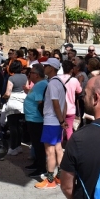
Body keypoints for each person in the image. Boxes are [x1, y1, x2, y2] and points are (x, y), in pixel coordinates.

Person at [35, 58, 67, 189]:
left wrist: (60, 120)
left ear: (52, 68)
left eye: (46, 65)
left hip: (51, 120)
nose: (44, 67)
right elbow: (64, 105)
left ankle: (50, 179)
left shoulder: (53, 84)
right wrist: (62, 121)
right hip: (57, 121)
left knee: (49, 151)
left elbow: (56, 104)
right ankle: (60, 176)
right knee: (58, 149)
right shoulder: (60, 82)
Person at [24, 64, 48, 178]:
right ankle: (37, 163)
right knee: (35, 143)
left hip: (36, 119)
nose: (30, 74)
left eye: (32, 73)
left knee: (38, 144)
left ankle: (41, 167)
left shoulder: (40, 85)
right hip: (33, 118)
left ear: (37, 75)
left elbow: (40, 102)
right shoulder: (39, 84)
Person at [1, 60, 28, 156]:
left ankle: (12, 147)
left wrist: (3, 97)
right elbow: (27, 89)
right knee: (19, 126)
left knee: (13, 126)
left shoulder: (11, 78)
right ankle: (18, 146)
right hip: (23, 103)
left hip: (13, 103)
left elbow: (8, 93)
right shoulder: (25, 77)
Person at [61, 60, 82, 141]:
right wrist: (79, 81)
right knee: (69, 130)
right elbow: (79, 91)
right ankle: (69, 148)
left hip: (59, 108)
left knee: (60, 130)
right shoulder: (74, 80)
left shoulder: (57, 78)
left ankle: (58, 147)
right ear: (72, 70)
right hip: (70, 109)